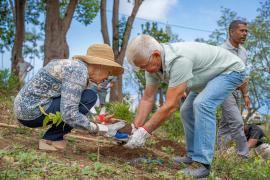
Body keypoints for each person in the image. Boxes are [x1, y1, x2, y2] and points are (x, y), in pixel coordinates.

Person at [124, 34, 246, 178]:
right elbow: (147, 98)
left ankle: (204, 164)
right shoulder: (152, 65)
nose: (145, 70)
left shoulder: (179, 60)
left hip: (231, 70)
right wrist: (135, 128)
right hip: (206, 75)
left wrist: (144, 132)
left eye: (144, 66)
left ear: (156, 55)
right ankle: (192, 155)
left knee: (203, 104)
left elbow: (170, 105)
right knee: (186, 110)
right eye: (140, 68)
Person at [13, 44, 125, 151]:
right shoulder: (78, 71)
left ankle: (53, 137)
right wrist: (102, 129)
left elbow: (70, 105)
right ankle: (51, 139)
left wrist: (99, 121)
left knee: (88, 95)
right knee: (90, 96)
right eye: (108, 72)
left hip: (26, 109)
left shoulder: (76, 68)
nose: (107, 78)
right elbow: (69, 114)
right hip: (31, 111)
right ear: (101, 65)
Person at [217, 20, 250, 158]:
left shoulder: (244, 52)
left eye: (246, 31)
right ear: (231, 32)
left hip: (237, 92)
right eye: (242, 31)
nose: (245, 34)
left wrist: (246, 95)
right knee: (237, 122)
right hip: (224, 90)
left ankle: (221, 155)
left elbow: (243, 75)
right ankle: (244, 156)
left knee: (226, 124)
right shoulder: (221, 50)